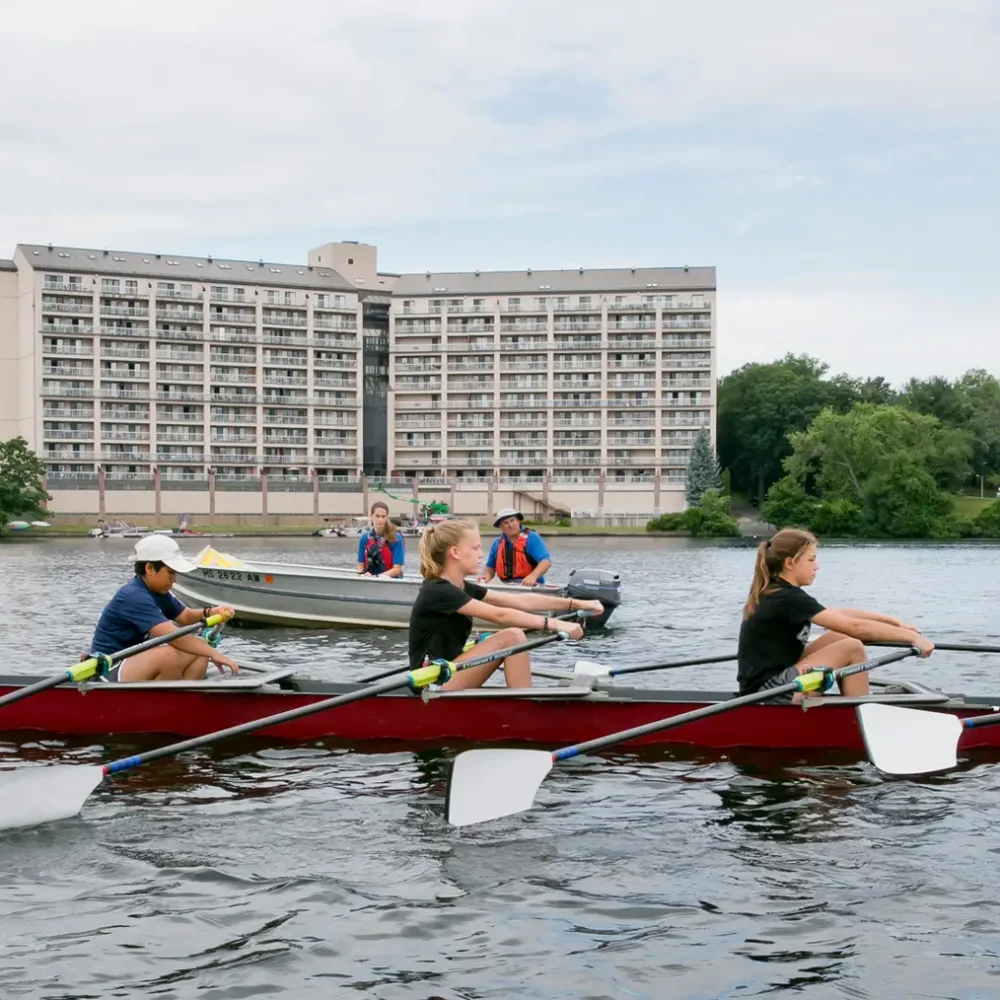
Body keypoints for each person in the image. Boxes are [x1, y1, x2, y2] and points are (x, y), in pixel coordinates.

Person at [738, 528, 935, 700]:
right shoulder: (786, 597)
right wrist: (911, 638)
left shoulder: (780, 592)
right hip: (768, 692)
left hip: (776, 682)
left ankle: (856, 699)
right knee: (852, 647)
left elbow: (841, 616)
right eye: (811, 559)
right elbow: (855, 627)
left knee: (842, 636)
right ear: (790, 563)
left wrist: (894, 622)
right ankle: (859, 711)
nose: (817, 566)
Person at [409, 519, 603, 690]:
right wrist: (555, 624)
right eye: (475, 548)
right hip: (431, 682)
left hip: (448, 672)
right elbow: (499, 615)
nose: (481, 554)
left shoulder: (462, 587)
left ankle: (523, 702)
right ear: (455, 552)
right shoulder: (438, 591)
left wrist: (575, 603)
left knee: (511, 636)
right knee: (513, 636)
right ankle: (524, 711)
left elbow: (518, 600)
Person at [90, 534, 238, 682]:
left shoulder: (158, 591)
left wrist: (211, 611)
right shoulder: (133, 596)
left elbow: (185, 616)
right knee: (170, 655)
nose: (174, 579)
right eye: (170, 572)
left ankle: (186, 698)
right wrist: (214, 653)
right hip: (107, 668)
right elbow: (175, 638)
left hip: (133, 662)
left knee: (199, 652)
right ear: (149, 568)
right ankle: (166, 701)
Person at [481, 508, 551, 586]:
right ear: (500, 527)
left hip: (531, 586)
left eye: (512, 520)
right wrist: (486, 576)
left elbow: (545, 562)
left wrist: (532, 576)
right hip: (506, 586)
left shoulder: (532, 538)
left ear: (518, 521)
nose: (510, 525)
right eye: (505, 523)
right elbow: (490, 567)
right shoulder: (497, 543)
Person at [356, 501, 405, 578]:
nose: (380, 520)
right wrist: (362, 574)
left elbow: (397, 569)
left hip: (390, 580)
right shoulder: (364, 538)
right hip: (369, 578)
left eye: (383, 516)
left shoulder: (396, 538)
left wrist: (376, 577)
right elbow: (360, 566)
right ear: (372, 516)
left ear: (387, 517)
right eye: (377, 516)